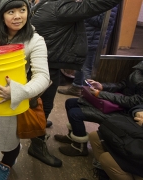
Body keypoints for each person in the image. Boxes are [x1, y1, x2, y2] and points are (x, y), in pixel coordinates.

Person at [0, 0, 62, 178]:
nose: (17, 16)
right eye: (11, 12)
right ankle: (11, 154)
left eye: (22, 10)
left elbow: (42, 76)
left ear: (28, 12)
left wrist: (17, 92)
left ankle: (6, 163)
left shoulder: (35, 40)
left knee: (9, 140)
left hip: (13, 98)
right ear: (2, 16)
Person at [30, 0, 122, 128]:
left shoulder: (46, 3)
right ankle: (37, 138)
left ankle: (38, 122)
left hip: (43, 58)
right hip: (48, 62)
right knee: (45, 102)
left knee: (38, 98)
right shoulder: (61, 8)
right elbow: (106, 3)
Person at [54, 60, 143, 156]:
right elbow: (123, 84)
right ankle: (74, 136)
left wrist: (100, 94)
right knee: (70, 102)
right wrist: (102, 86)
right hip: (117, 103)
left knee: (75, 113)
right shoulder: (139, 68)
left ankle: (79, 147)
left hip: (126, 113)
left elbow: (133, 102)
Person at [58, 6, 119, 97]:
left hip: (93, 39)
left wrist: (83, 12)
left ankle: (87, 94)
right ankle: (76, 87)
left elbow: (102, 21)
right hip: (87, 37)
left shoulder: (109, 3)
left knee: (87, 68)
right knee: (80, 64)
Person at [89, 105, 143, 180]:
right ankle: (103, 175)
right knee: (95, 136)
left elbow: (130, 100)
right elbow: (138, 104)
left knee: (107, 159)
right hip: (136, 133)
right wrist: (138, 111)